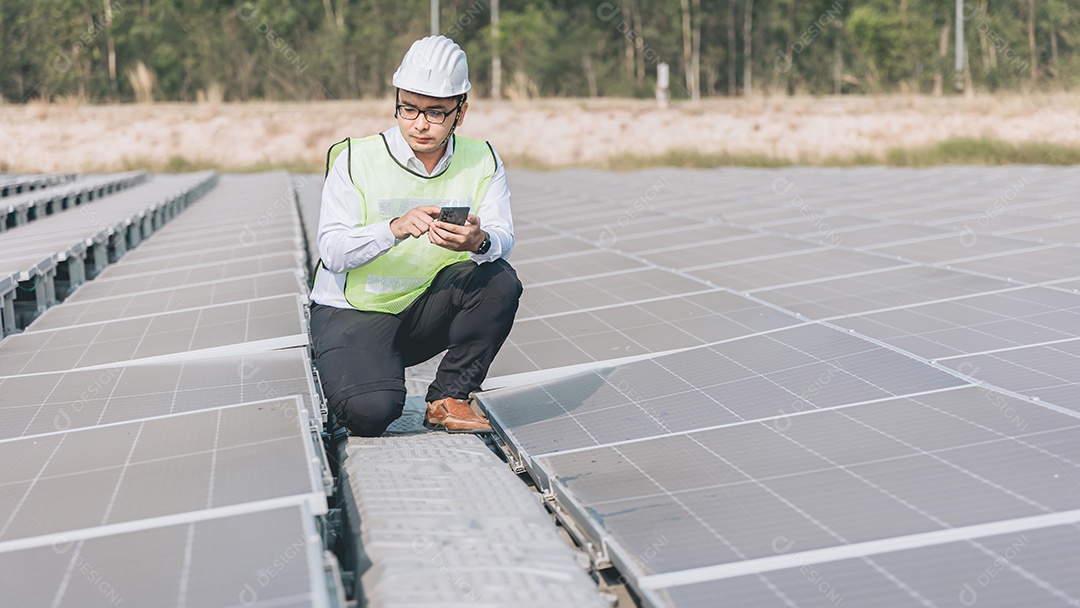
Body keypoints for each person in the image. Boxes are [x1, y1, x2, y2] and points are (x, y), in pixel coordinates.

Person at [309, 35, 521, 436]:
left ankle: (448, 397)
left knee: (499, 278)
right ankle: (353, 369)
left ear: (461, 112)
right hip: (354, 312)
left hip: (423, 312)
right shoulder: (355, 158)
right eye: (408, 109)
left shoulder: (483, 158)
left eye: (436, 113)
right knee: (370, 414)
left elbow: (503, 235)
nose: (420, 123)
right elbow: (333, 252)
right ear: (396, 102)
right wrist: (394, 229)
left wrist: (478, 241)